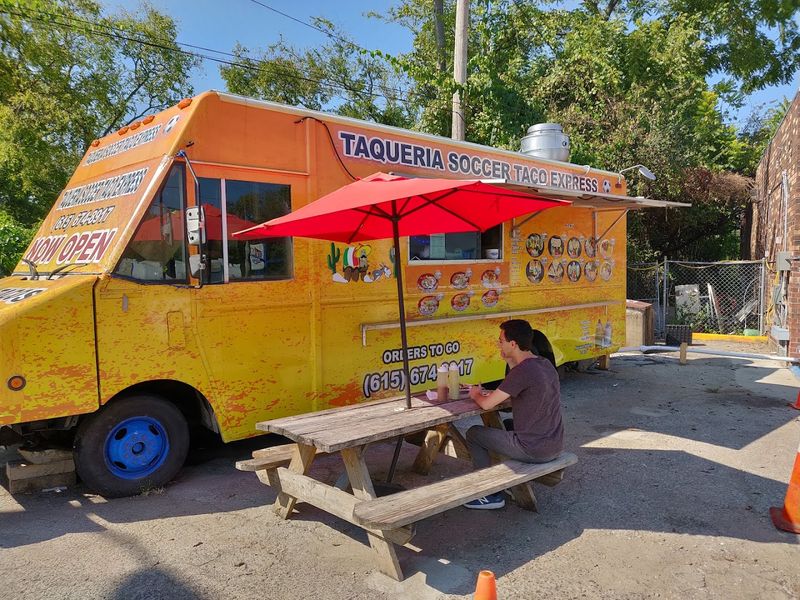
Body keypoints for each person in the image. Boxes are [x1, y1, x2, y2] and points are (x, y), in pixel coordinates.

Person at [463, 319, 564, 510]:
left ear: (513, 344)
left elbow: (486, 404)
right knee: (508, 424)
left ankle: (486, 494)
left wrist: (475, 393)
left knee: (474, 433)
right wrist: (509, 360)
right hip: (554, 444)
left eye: (501, 340)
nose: (498, 344)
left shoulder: (523, 371)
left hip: (534, 450)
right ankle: (504, 481)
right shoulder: (544, 364)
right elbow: (515, 389)